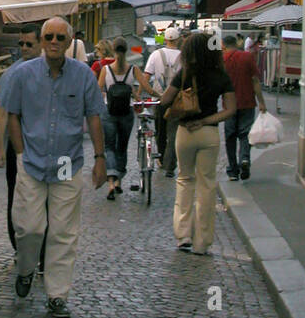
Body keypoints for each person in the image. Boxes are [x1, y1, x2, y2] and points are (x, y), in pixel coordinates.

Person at [0, 17, 106, 318]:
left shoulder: (83, 75)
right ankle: (26, 268)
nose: (54, 42)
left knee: (63, 232)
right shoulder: (23, 74)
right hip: (31, 161)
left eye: (60, 37)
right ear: (42, 41)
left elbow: (94, 116)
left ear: (70, 42)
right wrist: (19, 153)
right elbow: (12, 115)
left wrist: (100, 158)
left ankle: (57, 294)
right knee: (30, 227)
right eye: (49, 36)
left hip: (67, 163)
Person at [158, 30, 236, 256]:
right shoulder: (222, 76)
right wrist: (205, 120)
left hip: (185, 132)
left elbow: (165, 100)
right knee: (207, 185)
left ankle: (183, 235)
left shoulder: (184, 73)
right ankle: (202, 242)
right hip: (208, 133)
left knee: (184, 180)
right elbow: (230, 110)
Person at [0, 27, 45, 269]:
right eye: (21, 44)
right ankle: (19, 247)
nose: (24, 48)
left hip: (45, 147)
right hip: (19, 147)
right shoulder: (12, 74)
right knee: (16, 198)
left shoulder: (52, 70)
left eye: (28, 44)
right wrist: (0, 150)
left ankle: (44, 249)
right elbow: (2, 112)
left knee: (46, 198)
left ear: (40, 45)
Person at [97, 39, 153, 199]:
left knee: (109, 147)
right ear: (127, 50)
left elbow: (98, 89)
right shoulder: (133, 69)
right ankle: (119, 182)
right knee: (122, 147)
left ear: (113, 50)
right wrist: (160, 96)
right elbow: (146, 88)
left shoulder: (106, 69)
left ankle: (111, 182)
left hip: (109, 111)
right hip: (126, 112)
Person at [222, 34, 267, 182]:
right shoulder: (247, 57)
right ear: (236, 43)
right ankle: (245, 160)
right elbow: (255, 80)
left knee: (230, 137)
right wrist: (261, 102)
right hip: (247, 101)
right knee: (245, 134)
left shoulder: (222, 59)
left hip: (229, 105)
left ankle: (233, 171)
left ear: (223, 45)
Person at [144, 27, 182, 178]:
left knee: (160, 130)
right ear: (178, 39)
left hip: (159, 99)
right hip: (176, 100)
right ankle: (170, 165)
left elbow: (146, 76)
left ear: (165, 39)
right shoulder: (182, 56)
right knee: (173, 132)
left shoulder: (155, 54)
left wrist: (141, 93)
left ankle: (160, 157)